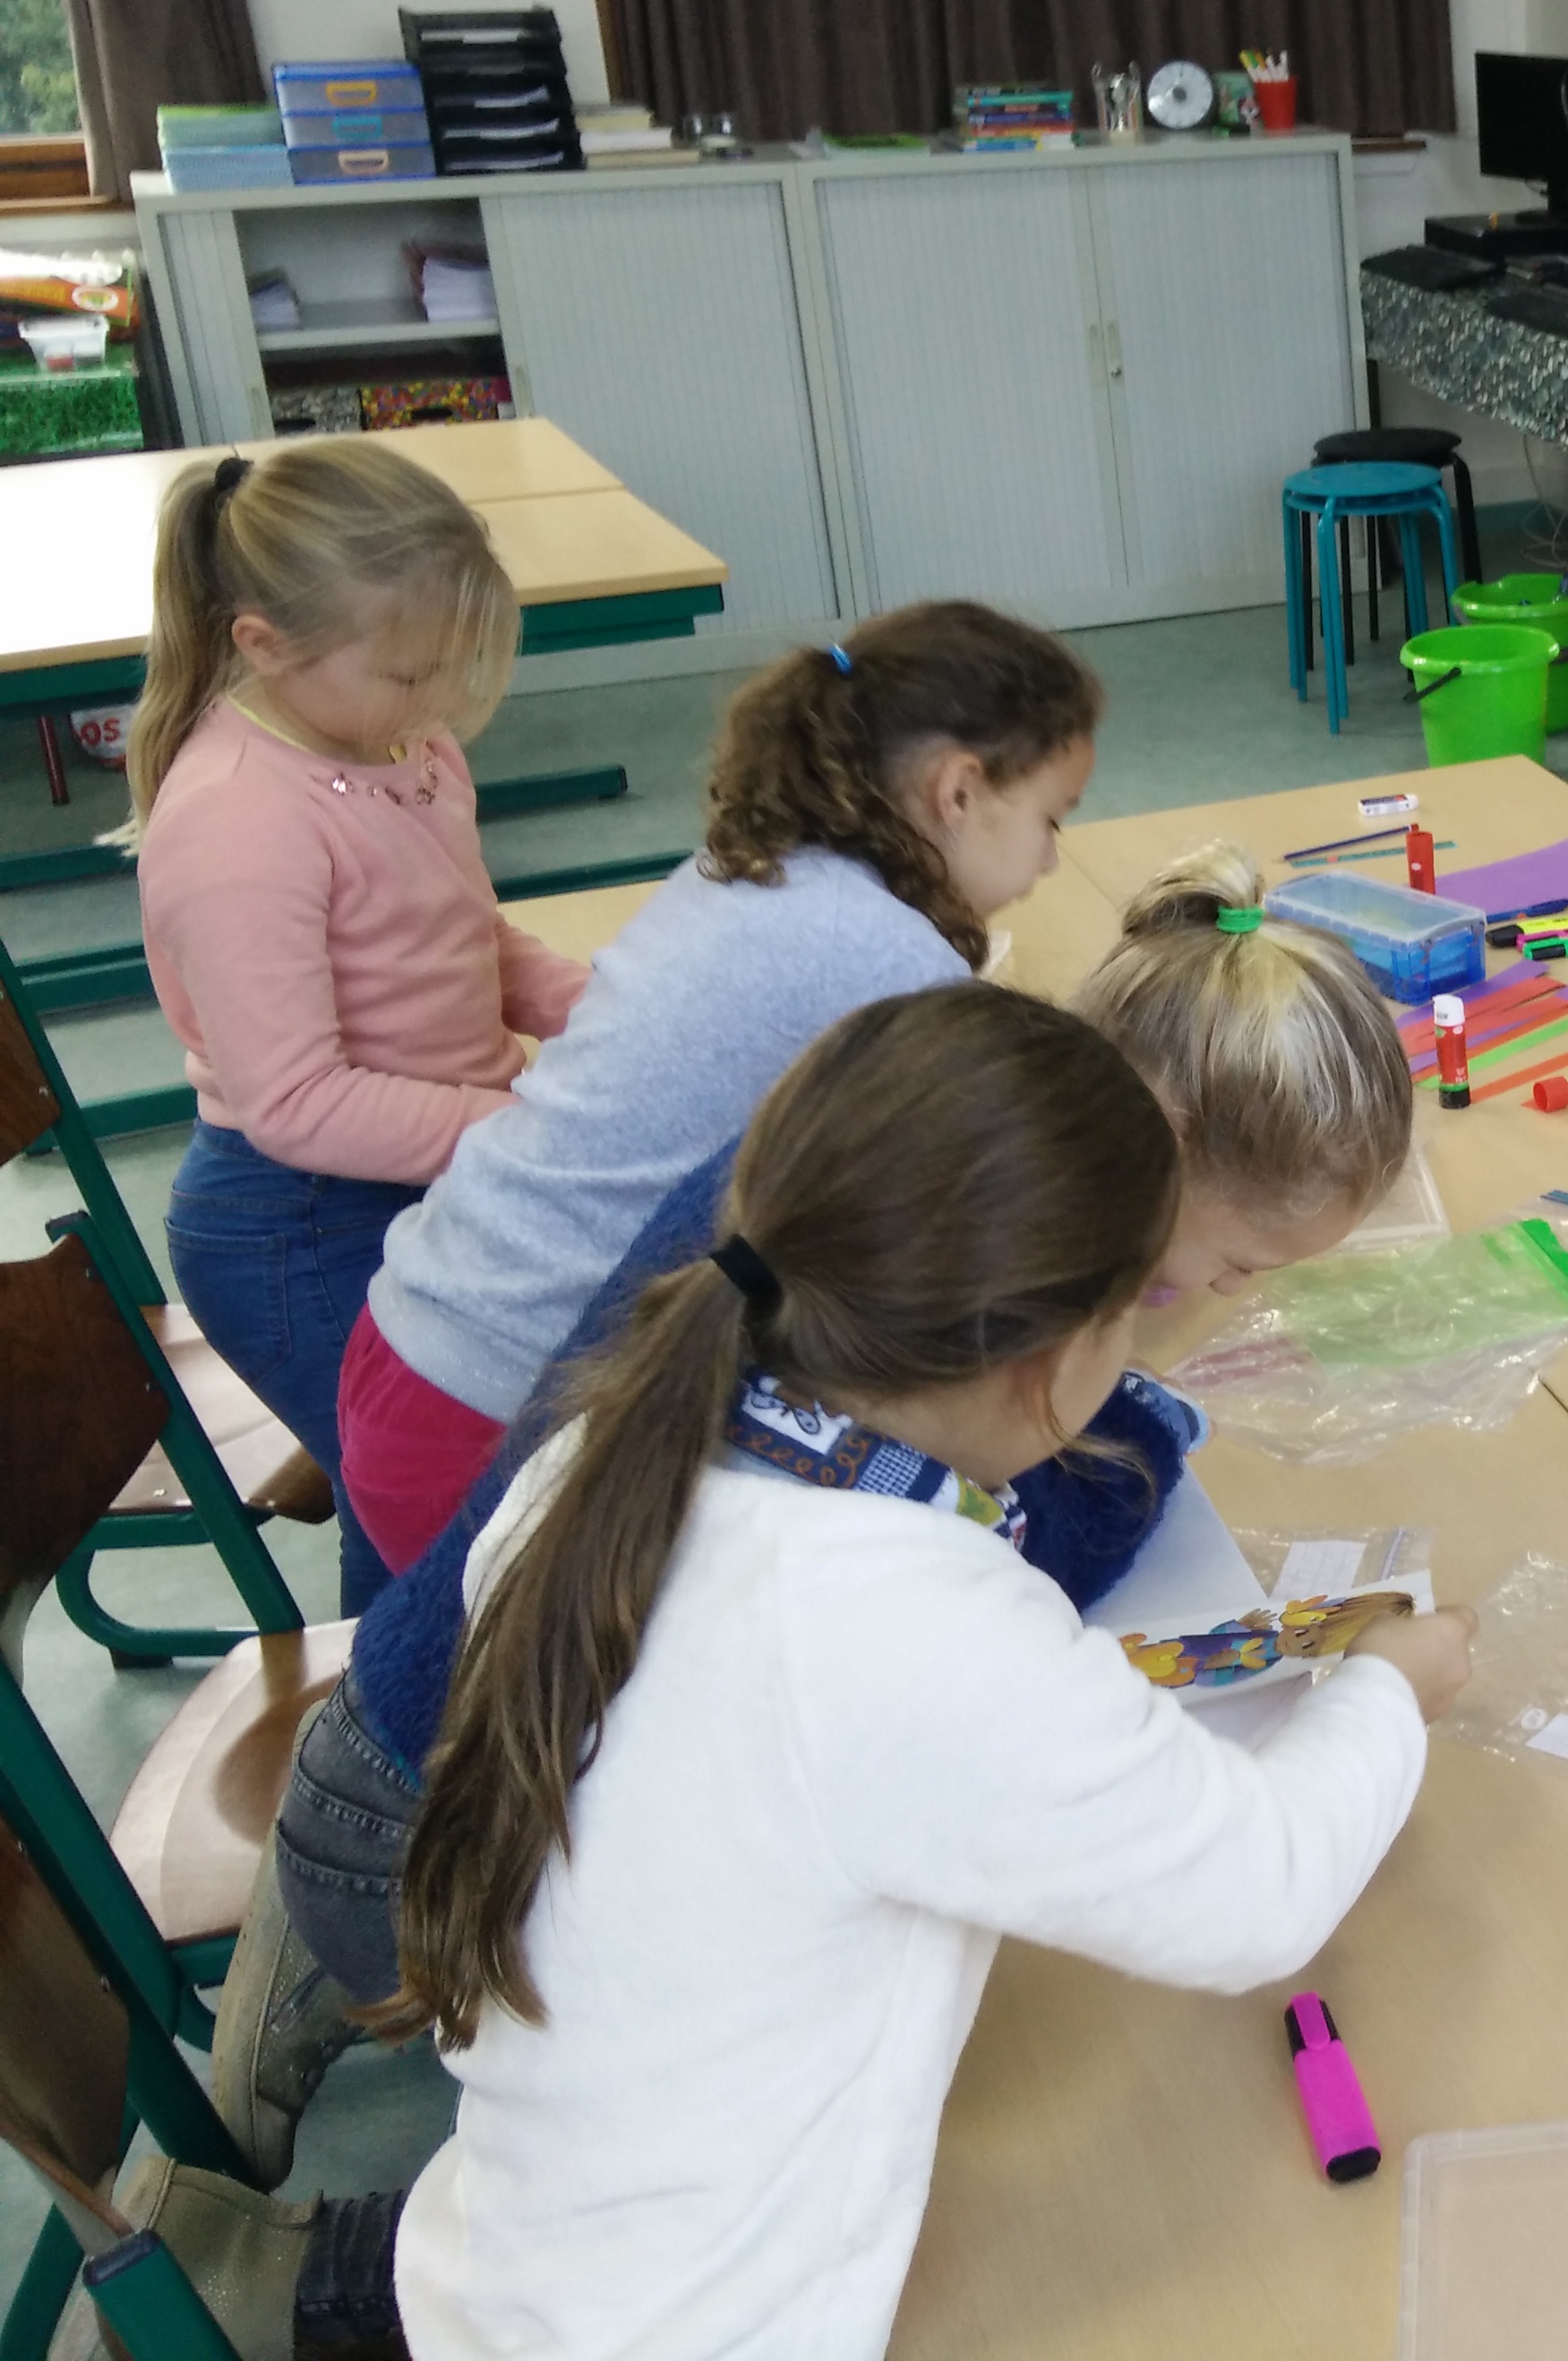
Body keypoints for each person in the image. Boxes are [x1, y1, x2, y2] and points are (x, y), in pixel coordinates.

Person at [226, 845, 1422, 2176]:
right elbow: (1220, 1843)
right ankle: (335, 2149)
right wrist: (1386, 1686)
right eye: (1231, 1270)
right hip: (420, 1852)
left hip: (435, 1775)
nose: (1224, 1306)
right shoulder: (886, 1563)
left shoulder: (859, 1170)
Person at [384, 982, 1473, 2360]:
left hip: (513, 2276)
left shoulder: (605, 1462)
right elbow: (1261, 1893)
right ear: (1057, 1359)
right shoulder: (897, 1622)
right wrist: (1389, 1685)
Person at [335, 601, 1099, 1573]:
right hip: (496, 1415)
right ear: (959, 789)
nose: (1047, 859)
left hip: (421, 1339)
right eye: (1050, 819)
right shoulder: (878, 953)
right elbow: (1013, 1194)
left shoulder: (760, 868)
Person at [123, 442, 582, 1615]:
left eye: (447, 670)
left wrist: (606, 1011)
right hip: (300, 1228)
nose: (434, 705)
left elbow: (466, 940)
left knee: (489, 1493)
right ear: (263, 645)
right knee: (439, 1515)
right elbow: (298, 1103)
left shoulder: (398, 748)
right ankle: (389, 1769)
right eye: (404, 673)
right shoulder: (239, 825)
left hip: (432, 1176)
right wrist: (516, 1121)